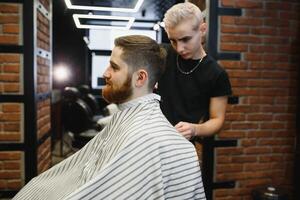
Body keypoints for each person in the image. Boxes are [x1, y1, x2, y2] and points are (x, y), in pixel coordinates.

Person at [13, 35, 206, 200]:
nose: (105, 73)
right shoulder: (126, 119)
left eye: (114, 67)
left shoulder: (146, 137)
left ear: (140, 78)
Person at [157, 2, 232, 140]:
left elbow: (217, 120)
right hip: (150, 137)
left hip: (180, 145)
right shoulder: (162, 54)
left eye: (185, 39)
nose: (179, 48)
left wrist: (194, 129)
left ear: (202, 29)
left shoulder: (216, 74)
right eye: (173, 41)